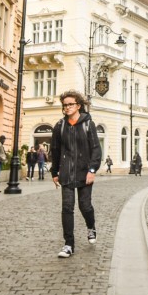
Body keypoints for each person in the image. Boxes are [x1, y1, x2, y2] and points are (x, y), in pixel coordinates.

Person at [50, 90, 101, 257]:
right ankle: (68, 244)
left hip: (84, 172)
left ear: (78, 105)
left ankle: (91, 227)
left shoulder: (88, 124)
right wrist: (54, 172)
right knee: (67, 207)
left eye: (70, 104)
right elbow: (55, 150)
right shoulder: (60, 126)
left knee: (84, 206)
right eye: (65, 105)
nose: (67, 107)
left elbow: (96, 149)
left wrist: (92, 170)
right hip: (66, 172)